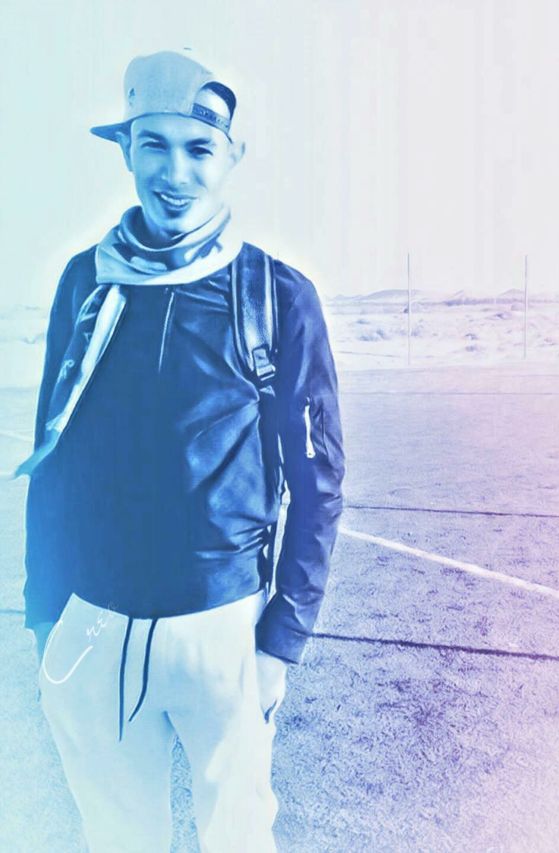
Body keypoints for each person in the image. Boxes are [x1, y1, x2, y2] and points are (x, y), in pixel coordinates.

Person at [19, 49, 345, 853]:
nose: (174, 172)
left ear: (232, 156)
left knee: (237, 838)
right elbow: (54, 457)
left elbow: (319, 482)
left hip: (222, 630)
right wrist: (46, 613)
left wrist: (281, 640)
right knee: (116, 838)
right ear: (126, 151)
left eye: (199, 148)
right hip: (93, 627)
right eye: (153, 145)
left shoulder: (274, 293)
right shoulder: (85, 283)